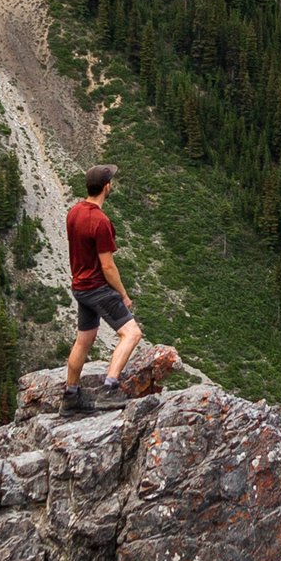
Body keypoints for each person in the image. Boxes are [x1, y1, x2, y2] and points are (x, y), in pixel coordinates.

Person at [62, 164, 177, 393]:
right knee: (132, 333)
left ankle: (71, 393)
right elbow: (108, 266)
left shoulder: (74, 212)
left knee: (84, 340)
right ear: (106, 187)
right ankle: (109, 388)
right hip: (97, 287)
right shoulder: (100, 221)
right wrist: (123, 294)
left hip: (80, 286)